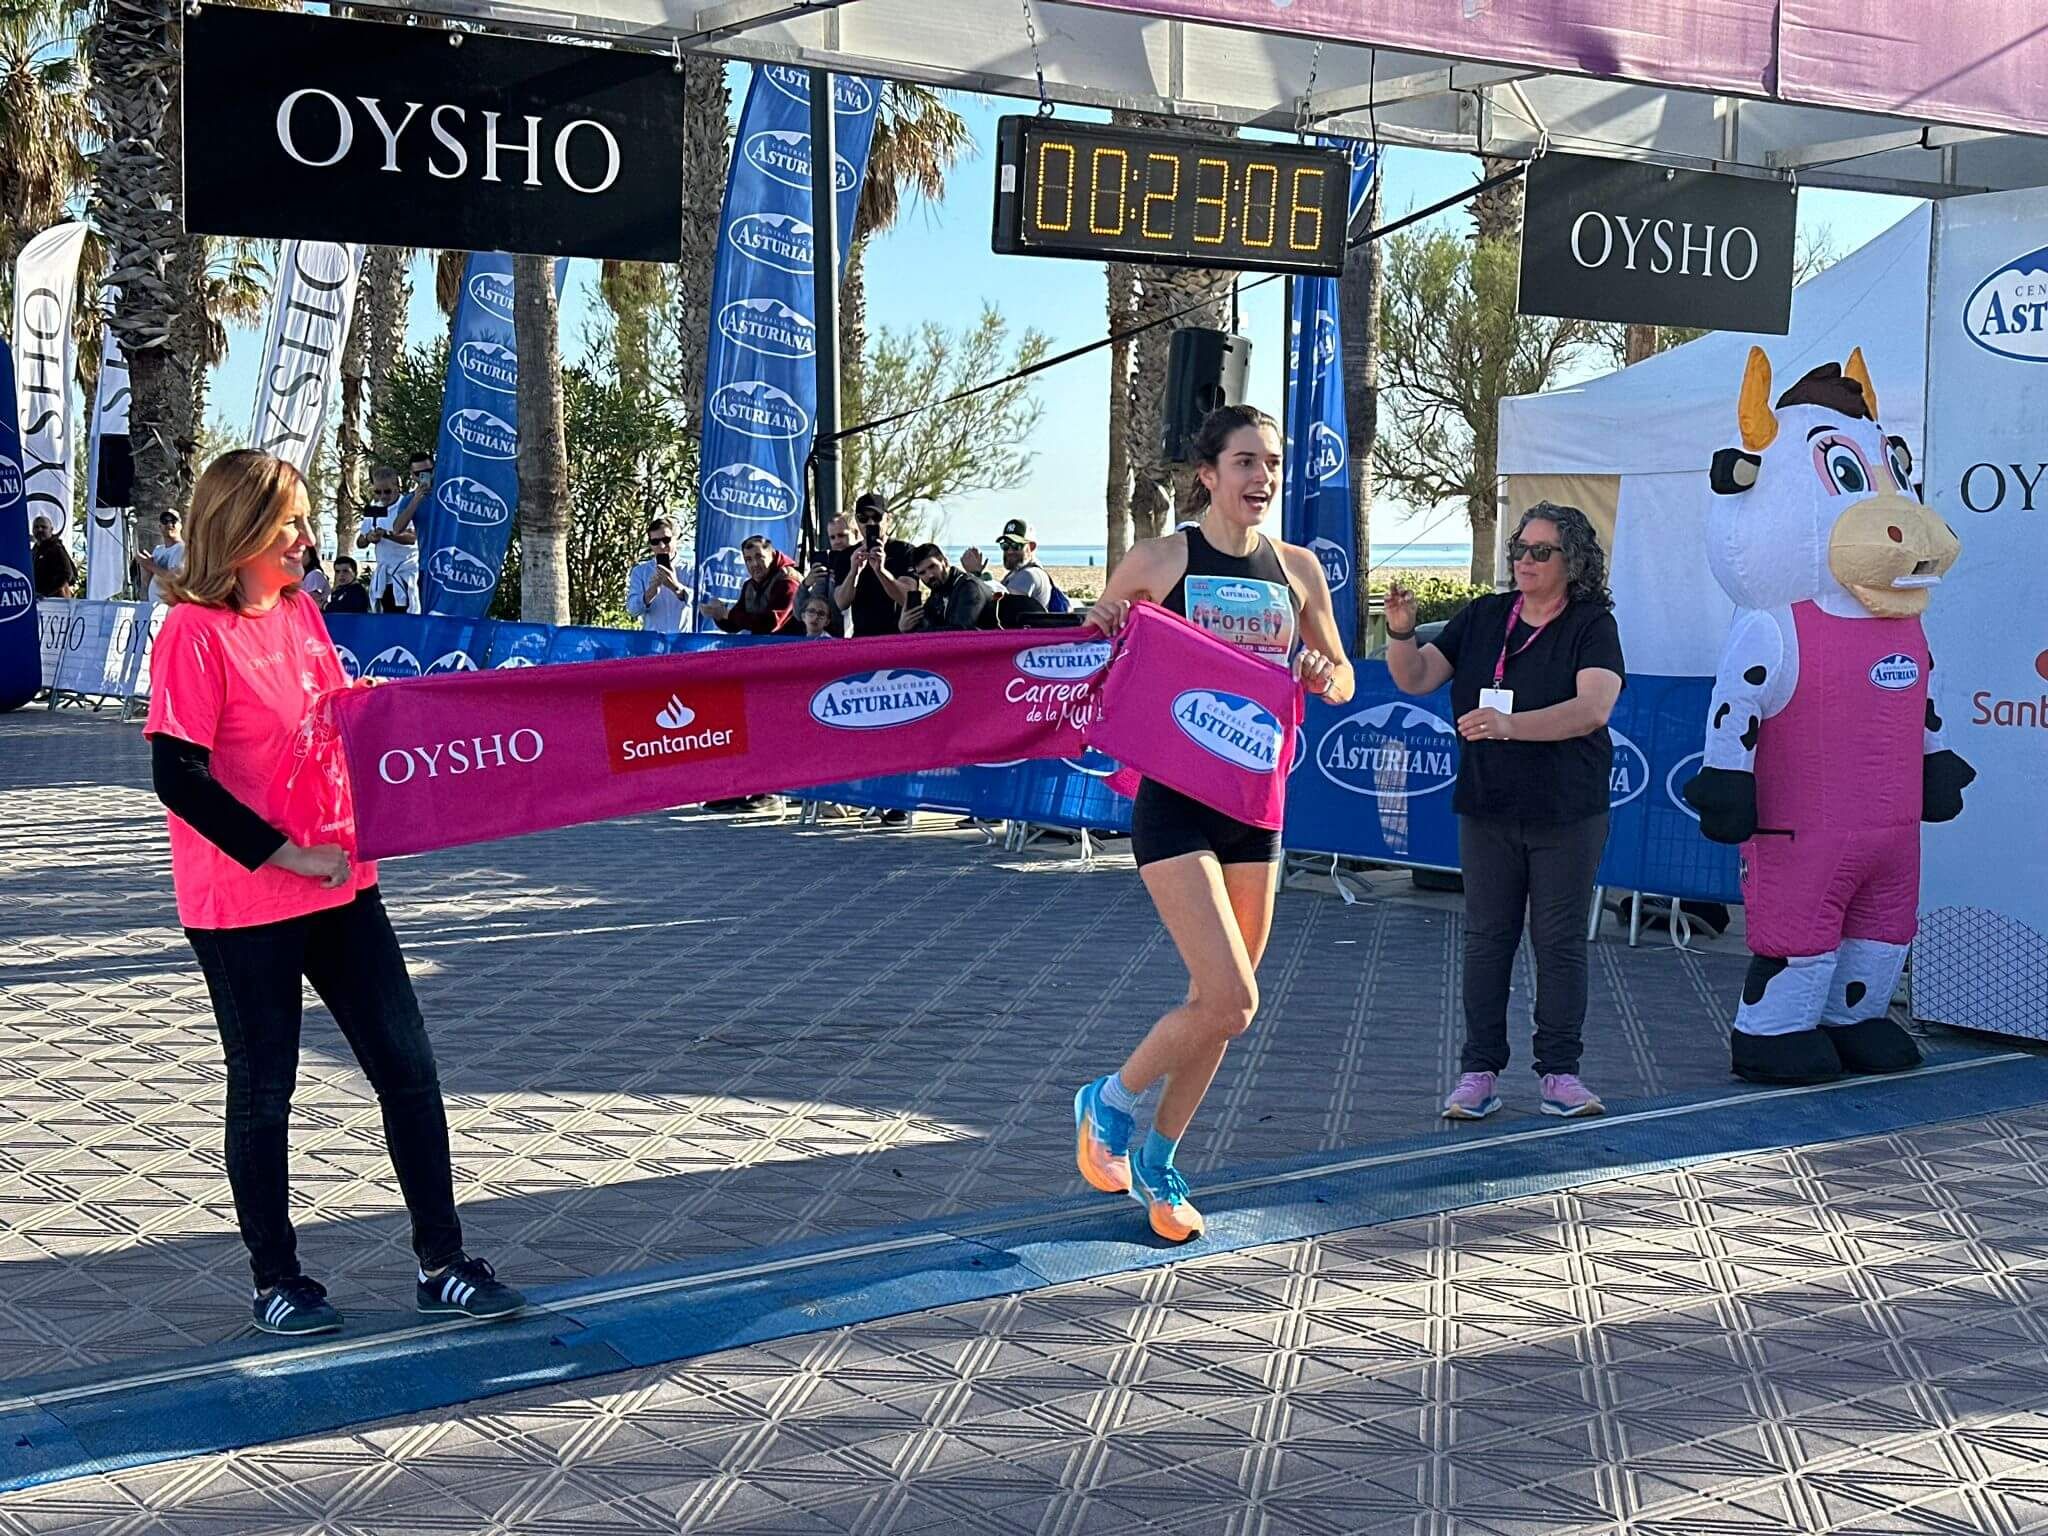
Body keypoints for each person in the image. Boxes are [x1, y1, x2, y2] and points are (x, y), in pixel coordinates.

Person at [143, 448, 523, 1337]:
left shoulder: (305, 612)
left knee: (408, 1067)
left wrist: (371, 704)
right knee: (265, 1086)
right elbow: (177, 776)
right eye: (292, 527)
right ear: (238, 535)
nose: (310, 539)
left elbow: (327, 713)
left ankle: (443, 1263)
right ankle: (276, 1280)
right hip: (246, 904)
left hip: (341, 884)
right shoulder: (195, 635)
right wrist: (283, 853)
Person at [1071, 405, 1352, 1243]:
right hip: (1175, 800)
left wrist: (1319, 668)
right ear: (1208, 474)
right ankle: (1110, 1100)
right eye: (1245, 462)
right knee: (1232, 993)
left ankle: (1159, 1162)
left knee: (1222, 1007)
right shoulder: (1160, 559)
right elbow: (1091, 652)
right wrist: (1105, 625)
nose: (1262, 477)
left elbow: (1339, 679)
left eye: (1272, 462)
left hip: (1255, 807)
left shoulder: (1298, 569)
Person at [1384, 502, 1626, 1123]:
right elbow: (1415, 679)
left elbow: (1593, 709)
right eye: (1520, 548)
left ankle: (1560, 1074)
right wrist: (1401, 632)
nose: (1524, 560)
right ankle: (1479, 1073)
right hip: (1488, 808)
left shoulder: (1592, 623)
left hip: (1567, 811)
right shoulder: (1486, 616)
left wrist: (1511, 725)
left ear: (1572, 563)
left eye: (1540, 552)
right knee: (1488, 940)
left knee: (1559, 942)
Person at [829, 493, 916, 637]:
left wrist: (881, 571)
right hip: (863, 639)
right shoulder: (847, 556)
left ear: (888, 519)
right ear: (856, 521)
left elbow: (907, 597)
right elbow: (841, 603)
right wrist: (853, 572)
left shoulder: (905, 551)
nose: (870, 523)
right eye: (863, 518)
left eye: (876, 517)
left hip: (897, 638)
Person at [703, 534, 799, 635]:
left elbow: (770, 624)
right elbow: (735, 625)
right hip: (761, 647)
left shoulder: (788, 582)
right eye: (748, 559)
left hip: (789, 648)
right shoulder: (749, 585)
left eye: (759, 557)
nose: (754, 564)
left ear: (773, 556)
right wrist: (718, 614)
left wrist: (729, 614)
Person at [357, 466, 419, 615]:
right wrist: (369, 537)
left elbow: (413, 538)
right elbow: (360, 542)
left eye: (387, 491)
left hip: (405, 575)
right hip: (383, 578)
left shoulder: (407, 505)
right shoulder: (373, 508)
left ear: (397, 486)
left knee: (405, 621)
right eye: (378, 492)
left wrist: (387, 535)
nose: (383, 496)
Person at [899, 544, 989, 633]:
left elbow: (961, 632)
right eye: (922, 573)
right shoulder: (937, 595)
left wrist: (918, 632)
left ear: (945, 562)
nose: (930, 575)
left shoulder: (969, 587)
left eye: (932, 566)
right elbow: (928, 625)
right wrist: (906, 626)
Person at [625, 518, 691, 634]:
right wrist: (650, 593)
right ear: (650, 545)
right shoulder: (640, 572)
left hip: (684, 643)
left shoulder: (692, 569)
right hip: (653, 644)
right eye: (655, 542)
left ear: (676, 539)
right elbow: (632, 610)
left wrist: (677, 588)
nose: (661, 546)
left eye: (666, 540)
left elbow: (703, 604)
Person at [30, 516, 76, 598]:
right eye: (36, 527)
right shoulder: (34, 550)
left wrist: (46, 593)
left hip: (56, 602)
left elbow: (67, 573)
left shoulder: (56, 548)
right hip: (40, 602)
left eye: (44, 527)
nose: (39, 529)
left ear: (51, 530)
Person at [148, 510, 186, 603]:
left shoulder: (182, 548)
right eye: (165, 521)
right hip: (154, 606)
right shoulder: (158, 549)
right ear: (160, 527)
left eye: (173, 521)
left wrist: (148, 564)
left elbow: (175, 577)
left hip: (171, 606)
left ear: (180, 525)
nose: (169, 525)